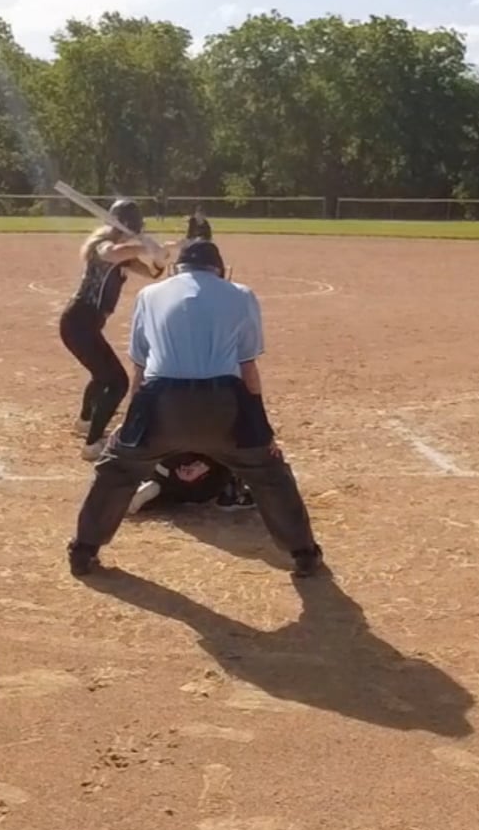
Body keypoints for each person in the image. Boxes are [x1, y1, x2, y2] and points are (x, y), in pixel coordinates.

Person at [67, 238, 323, 580]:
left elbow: (140, 372)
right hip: (223, 404)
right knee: (268, 473)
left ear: (178, 268)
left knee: (117, 470)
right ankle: (304, 554)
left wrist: (130, 426)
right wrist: (262, 432)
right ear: (218, 269)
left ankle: (83, 552)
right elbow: (248, 370)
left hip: (160, 403)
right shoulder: (241, 295)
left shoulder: (149, 295)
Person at [60, 199, 169, 460]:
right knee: (117, 382)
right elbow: (112, 253)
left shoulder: (124, 256)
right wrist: (145, 245)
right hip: (79, 322)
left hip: (85, 325)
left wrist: (158, 257)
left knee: (102, 374)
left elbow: (153, 273)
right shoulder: (102, 246)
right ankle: (92, 444)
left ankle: (85, 421)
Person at [128, 453, 255, 515]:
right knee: (242, 438)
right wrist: (204, 465)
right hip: (206, 483)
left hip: (165, 469)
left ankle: (154, 484)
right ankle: (231, 493)